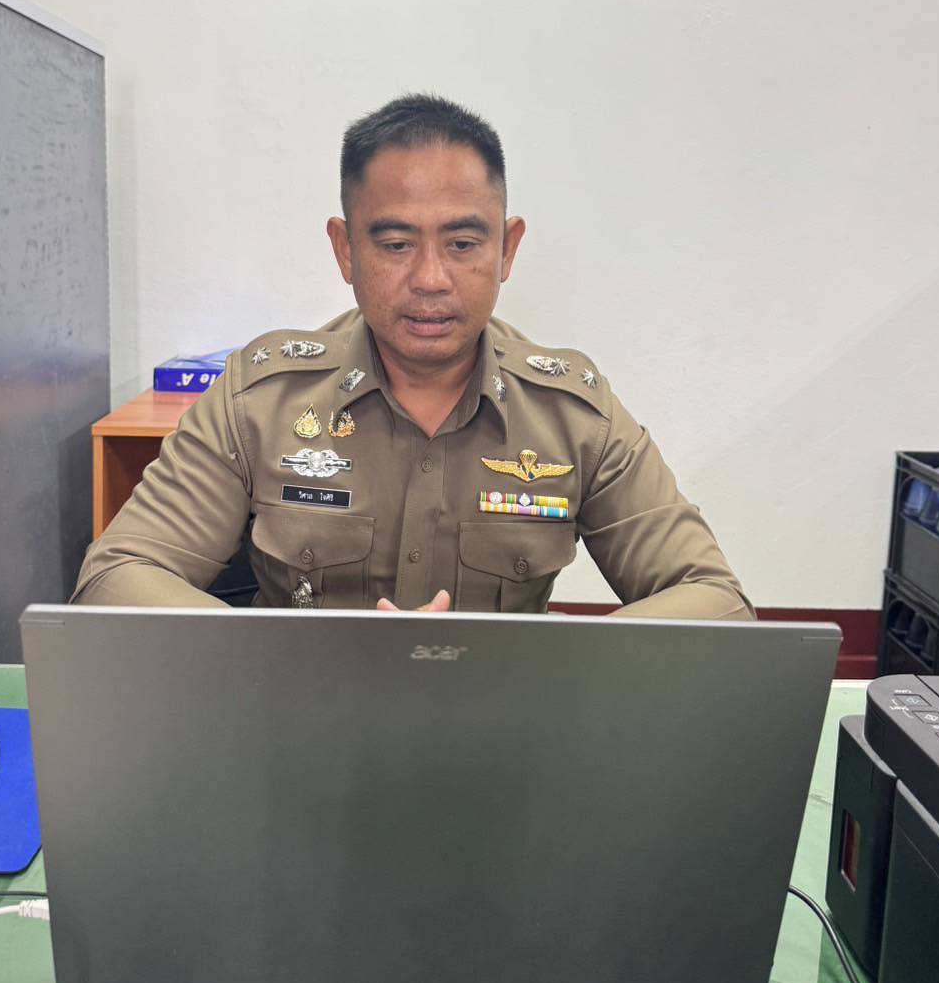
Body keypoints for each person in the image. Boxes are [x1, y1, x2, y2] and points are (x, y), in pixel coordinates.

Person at [74, 95, 753, 620]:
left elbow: (716, 600)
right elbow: (115, 578)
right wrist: (282, 660)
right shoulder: (262, 401)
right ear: (345, 250)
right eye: (396, 244)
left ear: (508, 249)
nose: (430, 278)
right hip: (300, 723)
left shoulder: (572, 415)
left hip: (501, 731)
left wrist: (551, 670)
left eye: (463, 244)